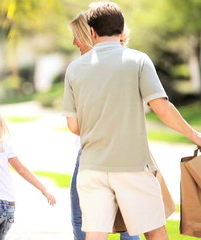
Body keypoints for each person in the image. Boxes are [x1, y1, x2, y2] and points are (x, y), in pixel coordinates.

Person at [62, 2, 201, 240]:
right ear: (122, 29)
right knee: (155, 231)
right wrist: (197, 137)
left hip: (91, 167)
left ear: (92, 32)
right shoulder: (138, 60)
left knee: (94, 234)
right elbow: (162, 109)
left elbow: (74, 126)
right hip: (132, 166)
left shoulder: (75, 69)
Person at [68, 11, 140, 240]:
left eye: (75, 36)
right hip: (131, 154)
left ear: (90, 34)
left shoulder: (80, 70)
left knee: (84, 221)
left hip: (94, 156)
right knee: (131, 222)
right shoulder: (131, 62)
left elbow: (76, 126)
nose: (73, 43)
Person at [0, 108, 56, 240]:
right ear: (0, 127)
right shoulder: (5, 147)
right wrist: (44, 189)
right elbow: (22, 170)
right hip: (9, 206)